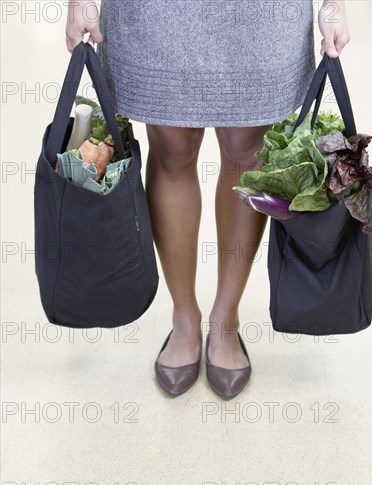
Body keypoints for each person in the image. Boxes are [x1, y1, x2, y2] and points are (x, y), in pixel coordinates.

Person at [66, 0, 350, 399]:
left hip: (261, 15)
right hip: (156, 12)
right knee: (172, 147)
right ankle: (184, 316)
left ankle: (225, 318)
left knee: (247, 151)